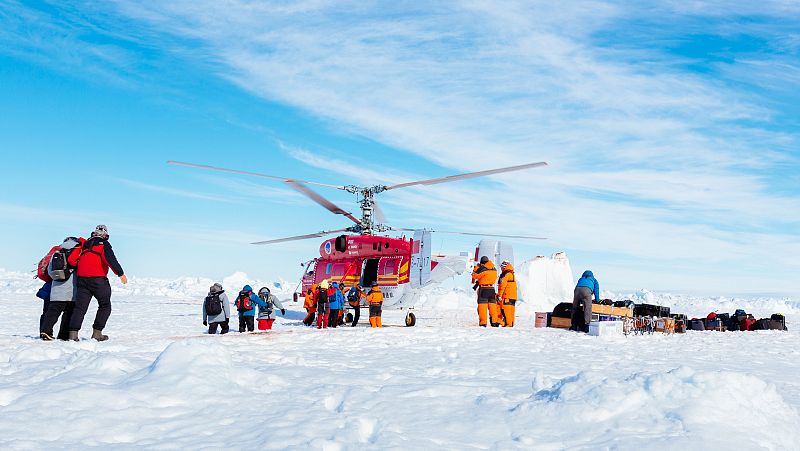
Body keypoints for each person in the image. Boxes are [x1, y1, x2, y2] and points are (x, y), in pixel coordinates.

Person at [67, 225, 127, 341]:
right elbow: (110, 259)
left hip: (82, 280)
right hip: (98, 281)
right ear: (105, 235)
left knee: (80, 308)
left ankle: (73, 335)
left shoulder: (84, 245)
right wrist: (120, 273)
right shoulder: (103, 244)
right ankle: (97, 333)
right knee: (105, 306)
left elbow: (72, 260)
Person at [40, 237, 81, 340]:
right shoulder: (77, 254)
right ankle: (63, 336)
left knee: (52, 313)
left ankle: (46, 331)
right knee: (68, 314)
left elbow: (50, 272)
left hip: (56, 291)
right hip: (72, 291)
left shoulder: (57, 253)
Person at [471, 256, 498, 327]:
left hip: (484, 289)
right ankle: (494, 322)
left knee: (482, 306)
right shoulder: (494, 269)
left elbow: (474, 276)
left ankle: (483, 323)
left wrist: (476, 268)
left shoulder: (482, 269)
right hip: (492, 289)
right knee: (492, 306)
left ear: (482, 262)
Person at [497, 261, 517, 327]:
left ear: (504, 267)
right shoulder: (512, 274)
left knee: (506, 311)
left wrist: (499, 295)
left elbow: (502, 286)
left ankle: (508, 325)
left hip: (507, 296)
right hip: (513, 296)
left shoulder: (505, 274)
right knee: (511, 312)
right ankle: (511, 324)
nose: (501, 269)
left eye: (502, 267)